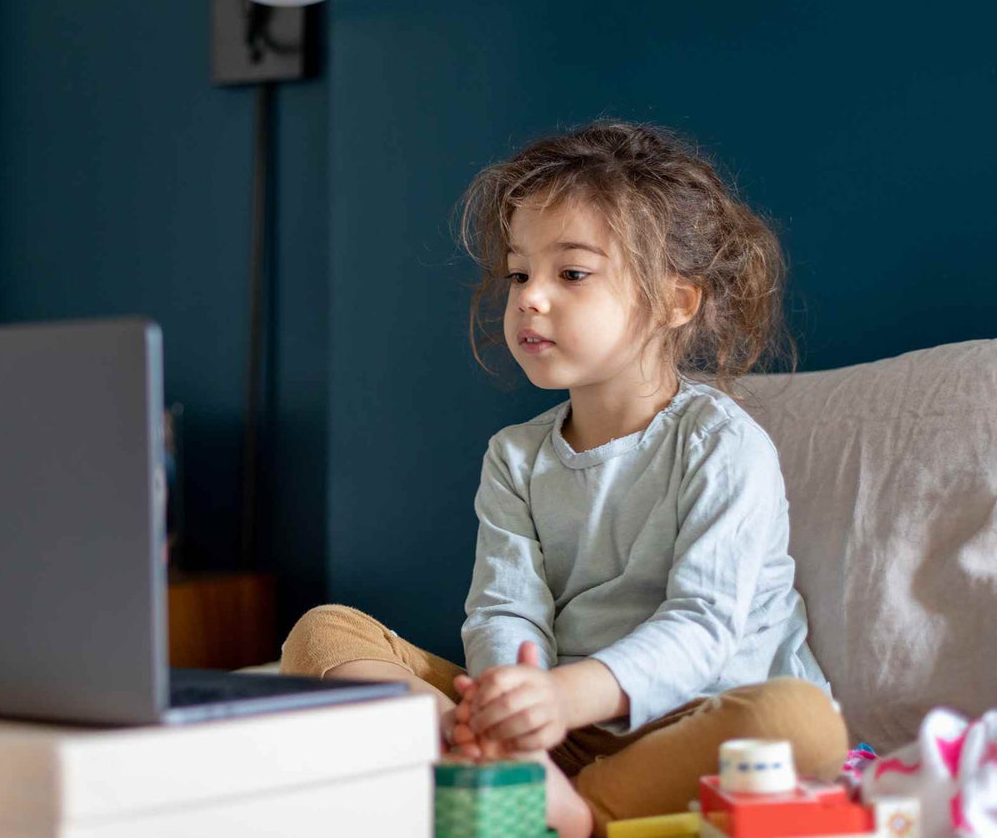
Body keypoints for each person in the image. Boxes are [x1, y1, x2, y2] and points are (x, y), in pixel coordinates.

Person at [279, 121, 848, 838]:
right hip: (558, 730)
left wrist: (562, 696)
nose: (530, 298)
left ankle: (572, 811)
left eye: (570, 273)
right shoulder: (514, 457)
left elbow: (702, 627)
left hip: (698, 718)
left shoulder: (723, 444)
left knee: (800, 722)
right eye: (520, 272)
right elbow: (504, 609)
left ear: (677, 301)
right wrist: (509, 706)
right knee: (321, 634)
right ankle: (518, 772)